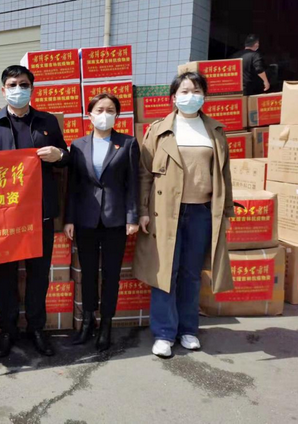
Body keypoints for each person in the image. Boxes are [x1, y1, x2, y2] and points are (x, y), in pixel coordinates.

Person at [134, 71, 234, 358]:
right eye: (185, 91)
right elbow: (144, 174)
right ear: (173, 97)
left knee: (191, 274)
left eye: (197, 91)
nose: (191, 97)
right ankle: (164, 333)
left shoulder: (214, 131)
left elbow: (224, 175)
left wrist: (226, 211)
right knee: (165, 272)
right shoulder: (159, 130)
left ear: (204, 96)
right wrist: (143, 211)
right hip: (165, 213)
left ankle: (188, 330)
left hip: (201, 212)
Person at [0, 65, 69, 358]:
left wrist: (58, 155)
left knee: (38, 275)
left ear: (32, 88)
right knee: (5, 275)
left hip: (39, 212)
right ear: (3, 90)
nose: (19, 89)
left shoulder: (47, 122)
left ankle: (37, 328)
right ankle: (8, 329)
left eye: (24, 84)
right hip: (4, 216)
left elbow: (66, 157)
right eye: (13, 84)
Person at [63, 92, 139, 351]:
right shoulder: (78, 145)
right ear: (90, 114)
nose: (104, 115)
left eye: (110, 110)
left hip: (115, 220)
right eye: (99, 110)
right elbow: (73, 185)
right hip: (85, 219)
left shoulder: (127, 143)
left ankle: (106, 324)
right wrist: (69, 218)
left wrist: (132, 217)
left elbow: (133, 184)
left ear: (117, 115)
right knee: (88, 273)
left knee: (111, 274)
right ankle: (88, 322)